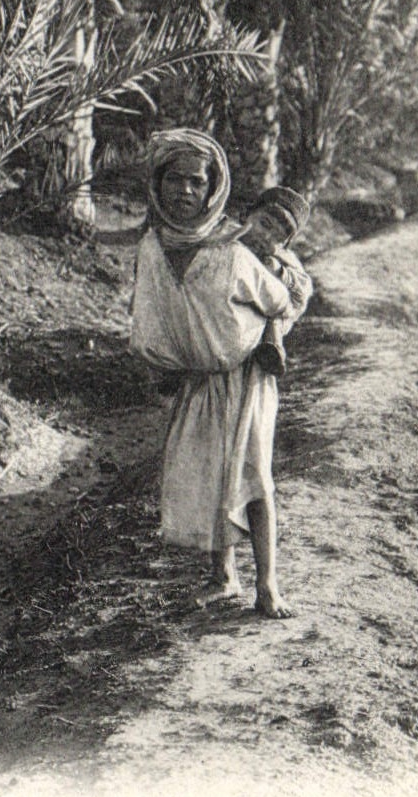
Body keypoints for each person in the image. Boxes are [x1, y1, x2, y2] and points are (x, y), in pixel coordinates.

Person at [129, 129, 301, 618]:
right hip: (196, 379)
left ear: (212, 190)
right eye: (174, 180)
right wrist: (164, 362)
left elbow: (280, 300)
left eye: (196, 182)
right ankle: (223, 577)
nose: (184, 191)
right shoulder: (152, 249)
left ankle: (267, 585)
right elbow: (149, 316)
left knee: (252, 475)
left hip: (246, 377)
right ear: (158, 185)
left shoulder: (231, 250)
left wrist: (261, 340)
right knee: (207, 475)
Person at [240, 187, 313, 378]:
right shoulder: (227, 242)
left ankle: (273, 347)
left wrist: (281, 273)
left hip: (252, 358)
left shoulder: (279, 259)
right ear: (246, 214)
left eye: (278, 238)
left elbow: (302, 292)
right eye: (264, 224)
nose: (266, 238)